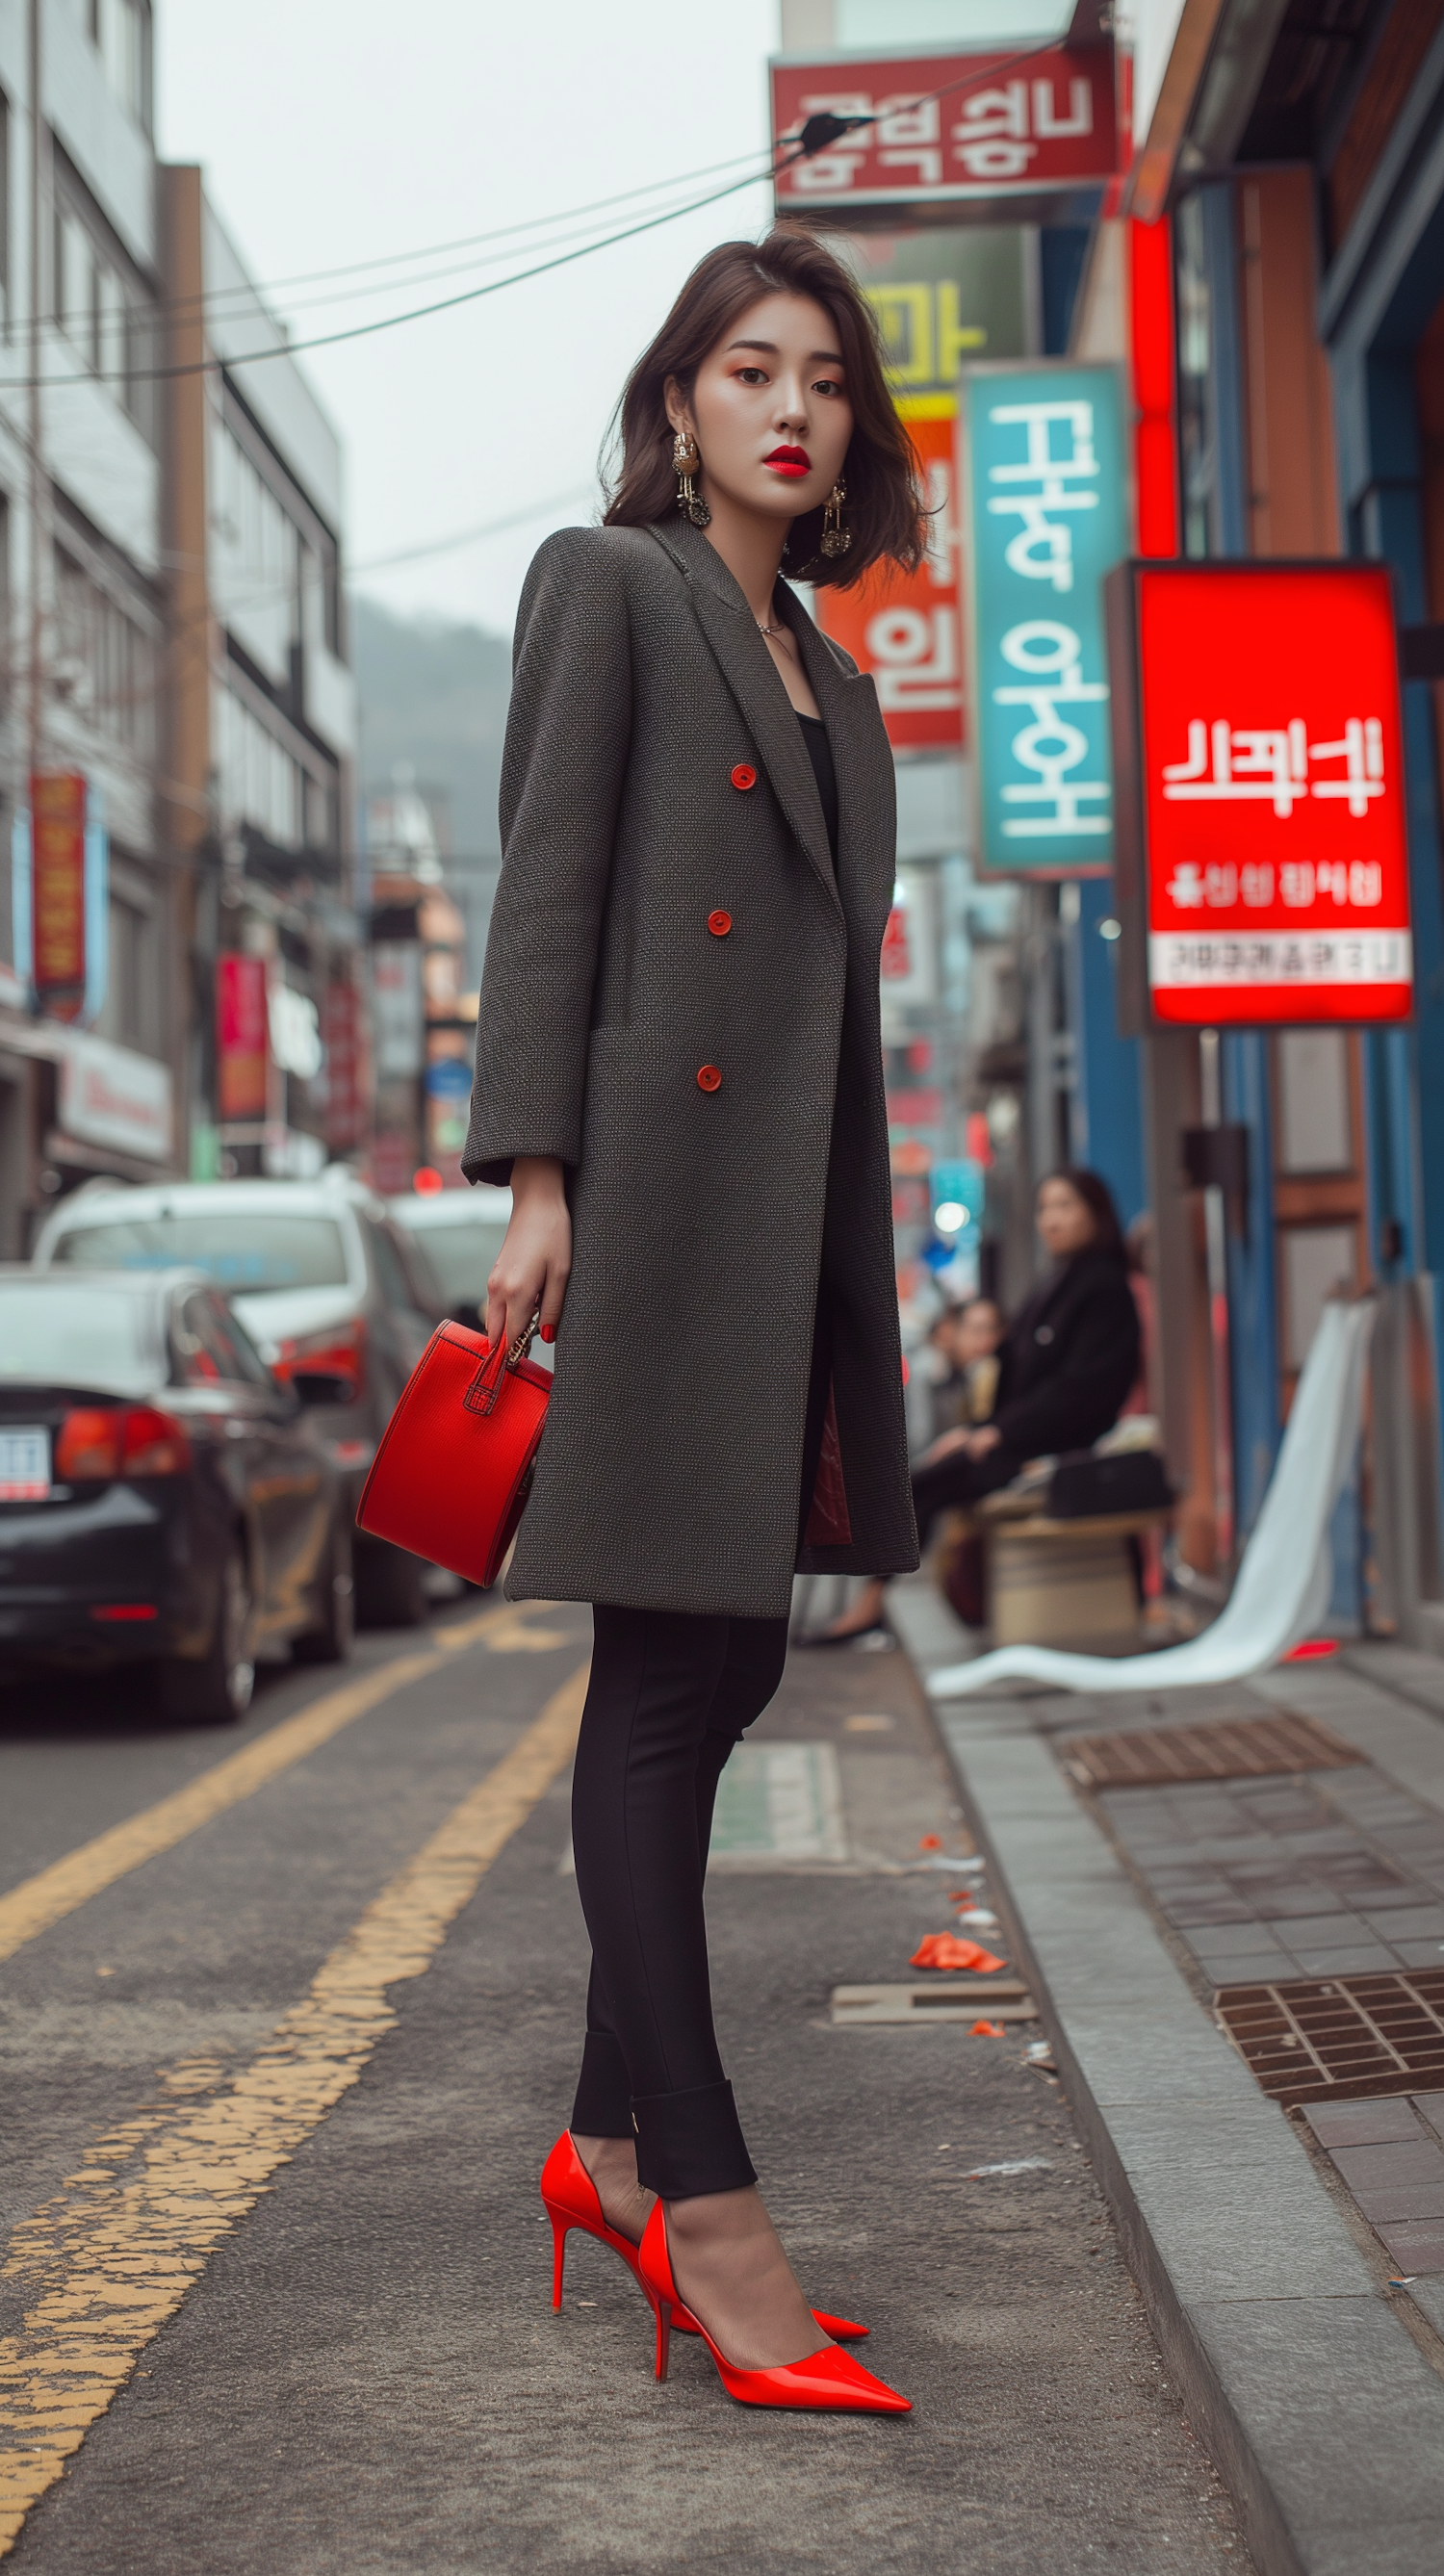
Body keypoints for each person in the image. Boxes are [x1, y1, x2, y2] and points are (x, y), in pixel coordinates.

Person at [461, 228, 924, 2415]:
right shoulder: (611, 583)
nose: (790, 407)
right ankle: (707, 2218)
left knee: (727, 1654)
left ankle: (610, 2141)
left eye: (823, 378)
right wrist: (538, 1176)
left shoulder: (830, 667)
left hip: (795, 1223)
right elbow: (544, 878)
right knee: (661, 1680)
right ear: (680, 403)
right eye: (751, 368)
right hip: (660, 1209)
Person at [818, 1171, 1142, 1641]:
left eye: (1066, 1206)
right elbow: (1018, 1378)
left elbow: (1083, 1389)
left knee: (917, 1488)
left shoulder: (1104, 1287)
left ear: (1097, 1213)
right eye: (1044, 1208)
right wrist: (977, 1430)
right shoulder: (1055, 1283)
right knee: (923, 1476)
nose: (1051, 1219)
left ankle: (871, 1604)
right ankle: (872, 1600)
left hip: (1051, 1449)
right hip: (1021, 1438)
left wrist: (999, 1433)